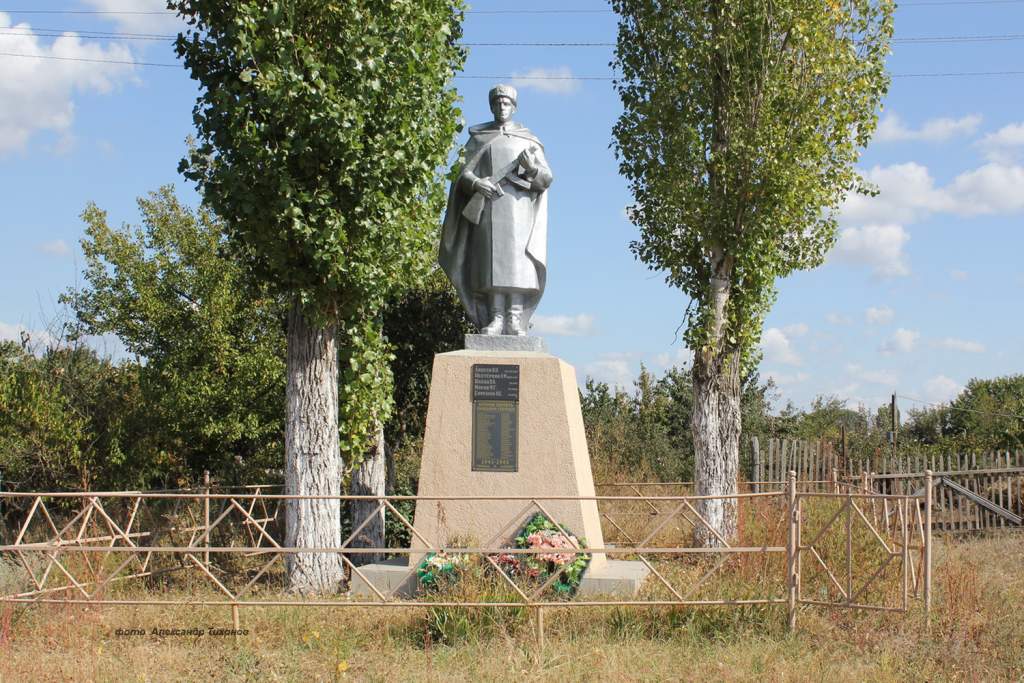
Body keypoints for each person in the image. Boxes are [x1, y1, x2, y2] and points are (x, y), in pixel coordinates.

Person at [439, 84, 553, 335]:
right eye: (497, 103)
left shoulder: (529, 140)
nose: (502, 107)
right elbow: (462, 174)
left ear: (514, 107)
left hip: (519, 210)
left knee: (517, 265)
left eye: (506, 103)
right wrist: (478, 183)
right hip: (489, 210)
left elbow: (546, 178)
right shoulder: (479, 137)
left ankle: (514, 318)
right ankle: (496, 318)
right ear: (491, 106)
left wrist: (531, 168)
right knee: (491, 264)